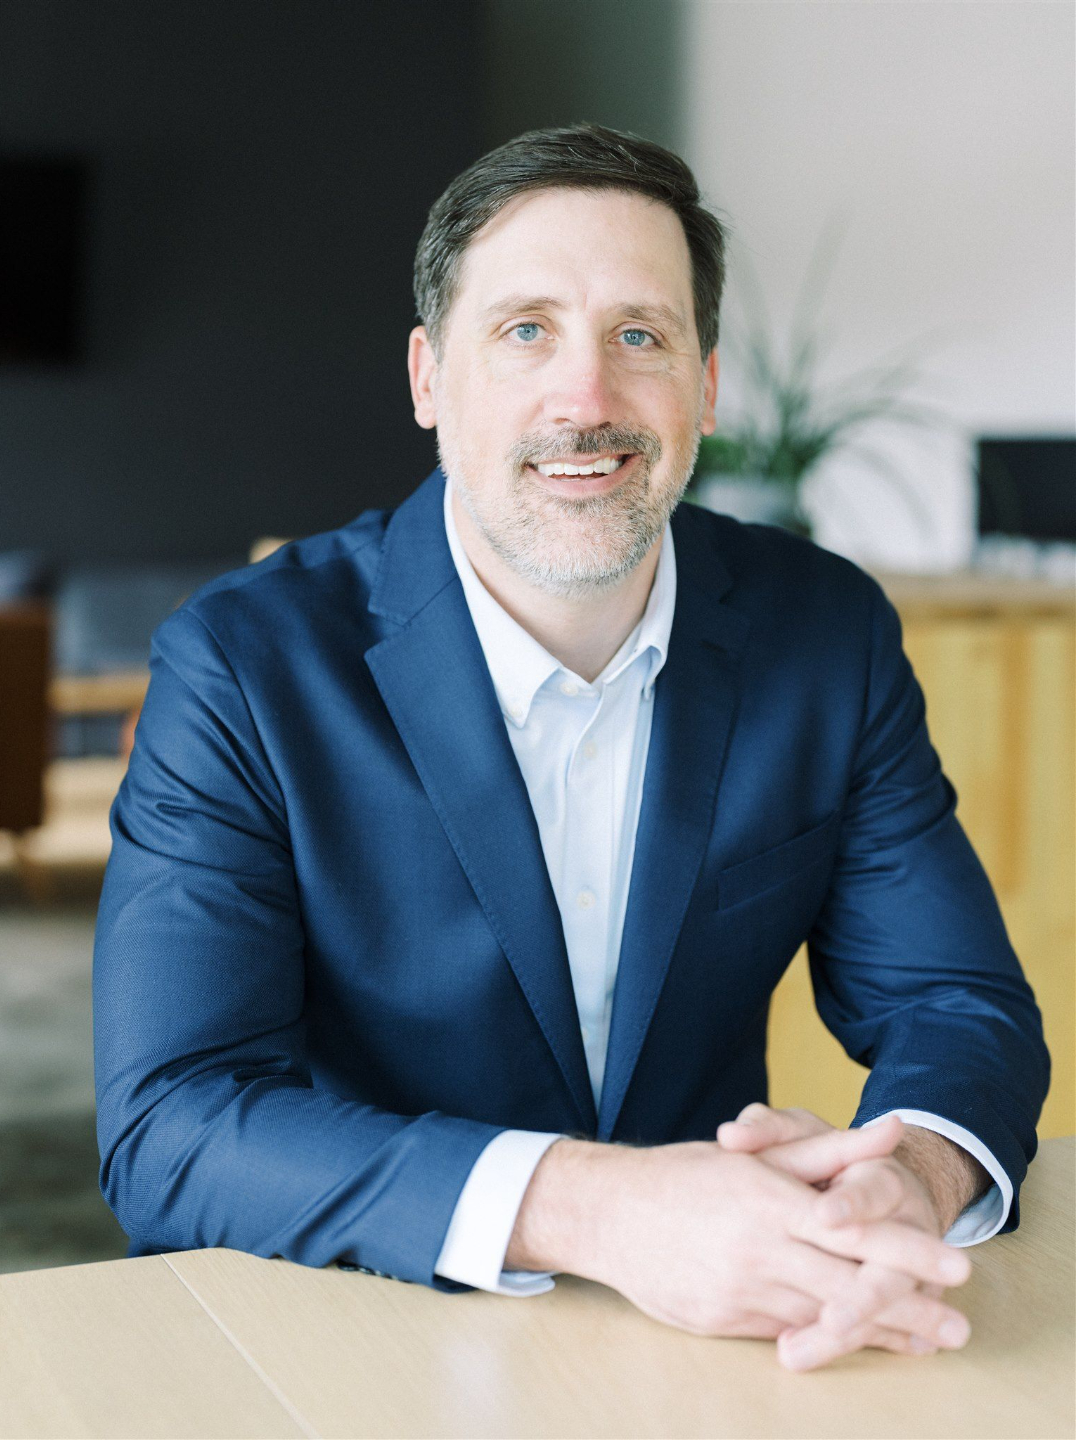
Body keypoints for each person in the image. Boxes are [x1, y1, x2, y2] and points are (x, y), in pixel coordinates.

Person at [93, 123, 1050, 1373]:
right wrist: (596, 1208)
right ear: (430, 379)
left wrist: (909, 1180)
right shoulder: (244, 665)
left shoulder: (826, 633)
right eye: (526, 331)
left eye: (639, 336)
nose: (586, 401)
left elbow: (955, 1001)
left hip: (707, 1351)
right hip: (340, 1334)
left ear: (706, 386)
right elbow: (170, 1126)